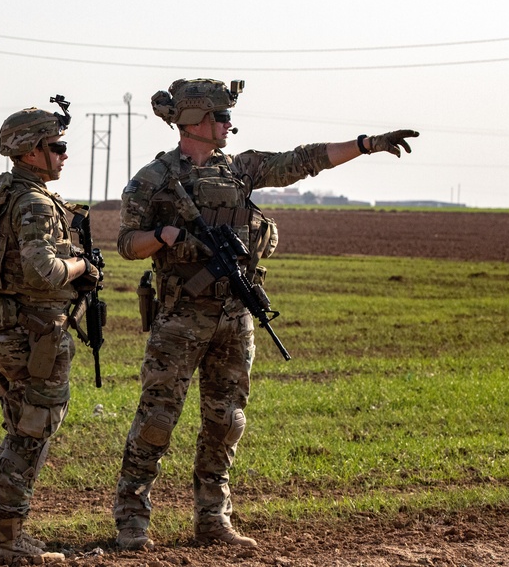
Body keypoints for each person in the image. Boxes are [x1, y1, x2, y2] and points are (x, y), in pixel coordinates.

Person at [112, 78, 418, 550]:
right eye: (221, 117)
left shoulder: (241, 169)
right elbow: (128, 244)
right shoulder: (153, 180)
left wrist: (366, 146)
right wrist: (166, 236)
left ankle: (213, 520)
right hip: (180, 319)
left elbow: (303, 160)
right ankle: (132, 522)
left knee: (226, 422)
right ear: (195, 122)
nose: (228, 125)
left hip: (235, 316)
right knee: (156, 421)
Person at [0, 100, 101, 563]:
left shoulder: (0, 195)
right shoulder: (35, 203)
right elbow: (42, 271)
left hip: (1, 331)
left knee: (20, 428)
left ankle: (7, 532)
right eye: (56, 146)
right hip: (33, 334)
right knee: (32, 432)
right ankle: (6, 540)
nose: (64, 155)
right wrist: (83, 266)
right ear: (29, 152)